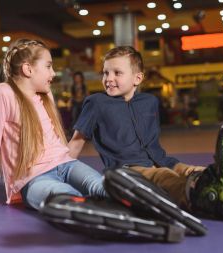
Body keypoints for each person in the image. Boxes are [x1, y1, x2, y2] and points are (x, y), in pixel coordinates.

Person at [0, 38, 106, 211]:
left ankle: (131, 209)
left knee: (101, 187)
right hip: (34, 178)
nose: (53, 74)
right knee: (66, 198)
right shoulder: (3, 93)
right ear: (28, 69)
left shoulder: (45, 93)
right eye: (48, 66)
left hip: (67, 164)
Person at [68, 46, 205, 210]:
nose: (109, 79)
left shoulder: (150, 102)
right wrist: (58, 174)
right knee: (165, 176)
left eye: (117, 73)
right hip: (128, 169)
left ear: (137, 78)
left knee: (194, 171)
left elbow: (152, 143)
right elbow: (76, 142)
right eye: (105, 73)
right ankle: (199, 199)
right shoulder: (96, 103)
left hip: (163, 161)